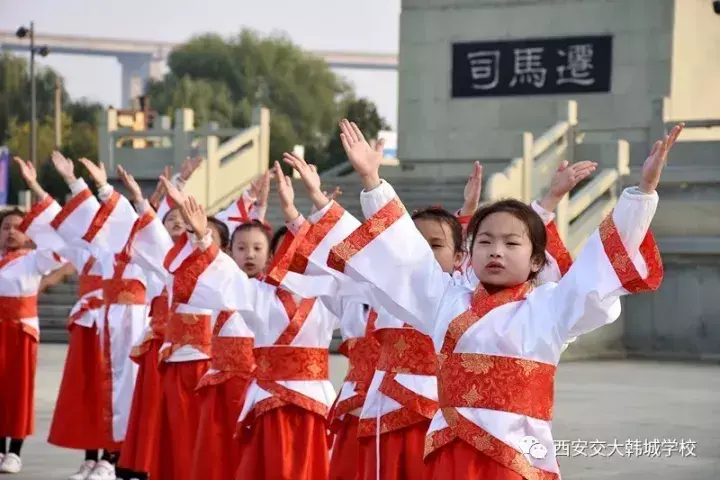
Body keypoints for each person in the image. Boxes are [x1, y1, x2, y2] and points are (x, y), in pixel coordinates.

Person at [309, 120, 682, 479]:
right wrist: (372, 181)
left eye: (511, 242)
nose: (496, 251)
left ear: (537, 259)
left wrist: (643, 193)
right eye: (485, 241)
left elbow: (596, 272)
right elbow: (406, 255)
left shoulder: (550, 307)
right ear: (469, 254)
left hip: (517, 455)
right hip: (450, 451)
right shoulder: (447, 300)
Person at [0, 199, 68, 473]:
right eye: (6, 227)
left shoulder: (34, 259)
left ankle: (14, 452)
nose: (11, 232)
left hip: (20, 331)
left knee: (18, 392)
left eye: (18, 227)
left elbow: (60, 249)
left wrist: (36, 225)